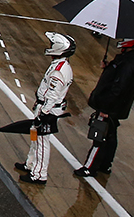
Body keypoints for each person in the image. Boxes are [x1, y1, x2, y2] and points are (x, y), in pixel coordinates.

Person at [15, 32, 75, 185]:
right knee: (35, 137)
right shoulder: (61, 65)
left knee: (42, 142)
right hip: (44, 107)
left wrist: (44, 113)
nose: (49, 47)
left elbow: (53, 94)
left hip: (48, 110)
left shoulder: (59, 70)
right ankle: (30, 164)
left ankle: (39, 174)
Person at [74, 38, 134, 177]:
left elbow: (119, 87)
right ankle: (105, 165)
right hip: (116, 107)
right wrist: (108, 68)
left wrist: (106, 108)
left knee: (100, 136)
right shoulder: (125, 59)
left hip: (110, 107)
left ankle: (90, 167)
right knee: (111, 135)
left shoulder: (128, 62)